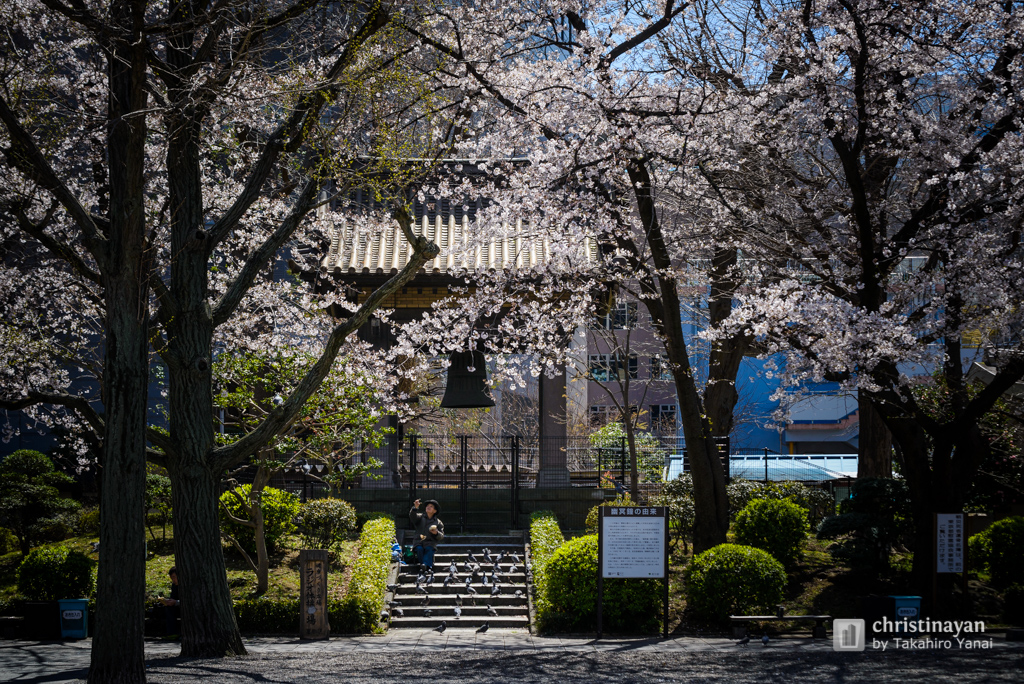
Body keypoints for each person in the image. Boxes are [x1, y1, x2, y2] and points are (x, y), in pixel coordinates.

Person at [409, 498, 444, 571]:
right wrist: (415, 507)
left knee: (429, 549)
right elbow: (412, 516)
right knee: (419, 549)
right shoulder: (420, 517)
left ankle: (424, 565)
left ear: (435, 511)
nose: (428, 507)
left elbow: (441, 536)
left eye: (431, 506)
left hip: (430, 542)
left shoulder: (438, 522)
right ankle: (427, 565)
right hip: (419, 541)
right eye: (427, 506)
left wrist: (436, 533)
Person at [159, 566, 181, 638]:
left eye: (174, 577)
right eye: (172, 578)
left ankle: (173, 633)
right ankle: (169, 633)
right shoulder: (174, 586)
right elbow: (173, 597)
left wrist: (176, 602)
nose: (173, 580)